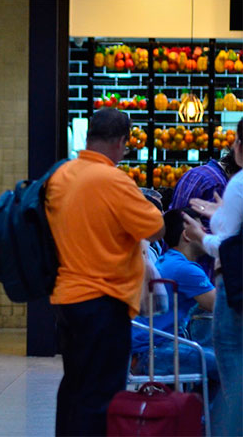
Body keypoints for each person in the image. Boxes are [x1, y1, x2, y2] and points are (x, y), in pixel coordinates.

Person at [45, 108, 165, 436]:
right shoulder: (114, 180)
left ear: (89, 136)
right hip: (104, 301)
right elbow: (155, 227)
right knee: (100, 397)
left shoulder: (61, 175)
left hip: (66, 298)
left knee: (74, 387)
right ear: (121, 142)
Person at [184, 118, 243, 436]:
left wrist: (200, 236)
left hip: (235, 296)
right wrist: (220, 214)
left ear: (238, 147)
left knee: (233, 376)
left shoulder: (239, 183)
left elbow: (229, 245)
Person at [130, 208, 219, 384]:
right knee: (228, 365)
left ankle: (202, 409)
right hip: (156, 352)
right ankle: (210, 411)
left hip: (144, 351)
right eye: (202, 230)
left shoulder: (168, 259)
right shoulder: (185, 269)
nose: (207, 235)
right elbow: (222, 307)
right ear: (187, 235)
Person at [168, 148, 241, 278]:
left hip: (173, 264)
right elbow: (219, 243)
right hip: (200, 275)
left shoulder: (196, 172)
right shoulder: (220, 187)